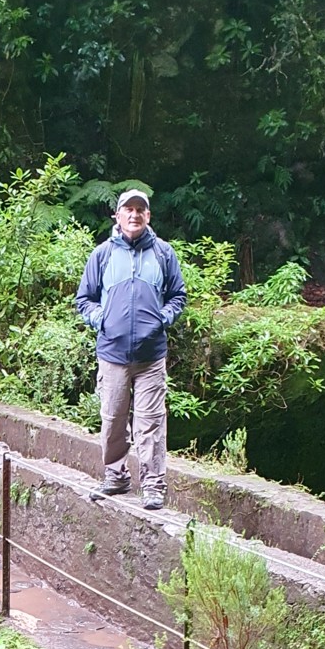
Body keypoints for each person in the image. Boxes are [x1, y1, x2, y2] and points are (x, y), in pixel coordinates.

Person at [75, 188, 186, 510]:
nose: (134, 215)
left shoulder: (163, 253)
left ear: (148, 216)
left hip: (151, 356)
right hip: (112, 354)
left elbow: (178, 296)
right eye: (129, 209)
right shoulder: (102, 255)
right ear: (118, 215)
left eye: (140, 210)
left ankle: (153, 485)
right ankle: (116, 476)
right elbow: (84, 299)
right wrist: (102, 320)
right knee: (112, 419)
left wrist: (162, 319)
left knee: (150, 422)